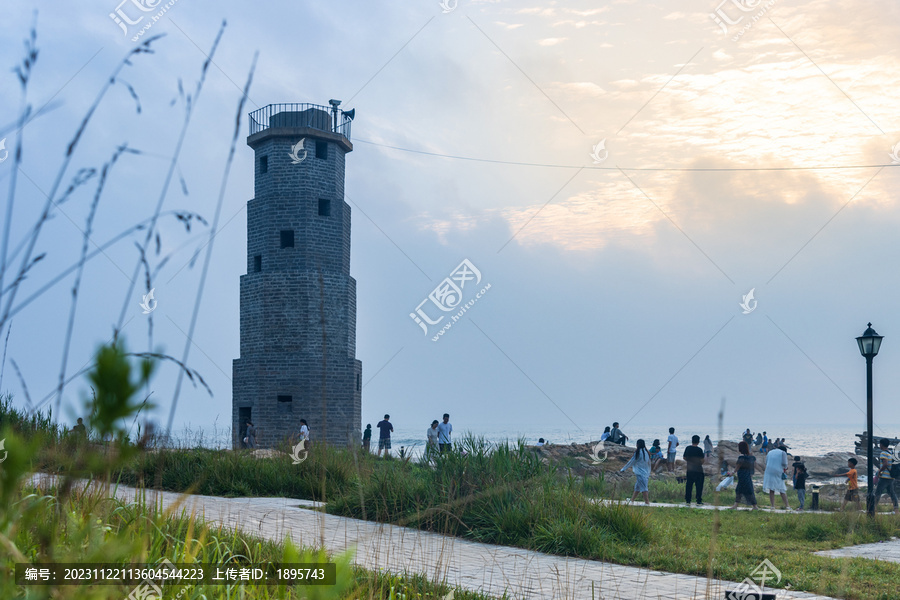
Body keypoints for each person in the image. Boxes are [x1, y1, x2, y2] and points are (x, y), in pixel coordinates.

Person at [619, 439, 651, 505]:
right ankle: (632, 500)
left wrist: (623, 469)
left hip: (640, 473)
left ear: (638, 444)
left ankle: (647, 502)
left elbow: (631, 462)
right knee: (637, 487)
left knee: (644, 487)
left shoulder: (638, 452)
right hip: (646, 472)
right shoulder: (646, 452)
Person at [729, 441, 759, 510]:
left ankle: (737, 505)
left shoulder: (741, 457)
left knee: (739, 490)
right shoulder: (750, 457)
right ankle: (753, 506)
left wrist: (732, 473)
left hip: (742, 475)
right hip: (748, 475)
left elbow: (737, 467)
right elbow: (754, 465)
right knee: (748, 489)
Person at [873, 438, 899, 514]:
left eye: (880, 444)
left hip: (884, 477)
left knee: (878, 492)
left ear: (881, 445)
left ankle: (873, 508)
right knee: (892, 493)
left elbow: (885, 464)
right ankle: (896, 509)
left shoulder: (883, 453)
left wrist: (879, 471)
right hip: (891, 477)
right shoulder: (891, 453)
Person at [763, 443, 790, 510]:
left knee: (771, 489)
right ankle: (787, 506)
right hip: (778, 471)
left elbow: (766, 462)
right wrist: (785, 468)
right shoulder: (783, 453)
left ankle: (772, 506)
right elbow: (784, 463)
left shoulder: (770, 452)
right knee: (782, 488)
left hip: (768, 471)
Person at [683, 435, 706, 505]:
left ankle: (688, 500)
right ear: (698, 442)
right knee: (699, 485)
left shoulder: (688, 448)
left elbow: (684, 457)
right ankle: (698, 500)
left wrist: (690, 461)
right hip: (698, 470)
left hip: (690, 469)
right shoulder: (699, 450)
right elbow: (702, 460)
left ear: (692, 440)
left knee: (689, 485)